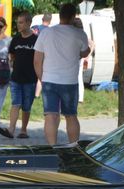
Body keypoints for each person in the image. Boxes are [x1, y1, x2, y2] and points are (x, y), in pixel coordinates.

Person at [33, 3, 90, 145]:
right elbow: (85, 52)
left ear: (60, 15)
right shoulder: (80, 34)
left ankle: (52, 148)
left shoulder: (46, 33)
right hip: (70, 82)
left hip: (49, 80)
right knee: (71, 116)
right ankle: (74, 147)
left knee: (50, 116)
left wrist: (42, 79)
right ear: (73, 16)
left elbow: (37, 61)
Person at [0, 11, 37, 139]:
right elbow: (12, 55)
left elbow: (39, 58)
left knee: (26, 106)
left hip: (30, 79)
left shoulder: (36, 40)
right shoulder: (16, 39)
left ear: (28, 23)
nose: (18, 25)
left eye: (21, 22)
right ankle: (11, 129)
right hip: (15, 78)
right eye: (17, 22)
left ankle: (23, 130)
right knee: (15, 103)